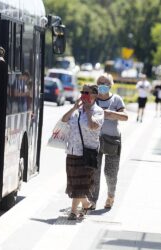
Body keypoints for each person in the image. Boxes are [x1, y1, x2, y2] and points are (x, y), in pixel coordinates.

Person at [61, 84, 104, 220]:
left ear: (95, 95)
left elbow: (93, 125)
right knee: (74, 184)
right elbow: (64, 120)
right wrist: (75, 107)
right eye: (83, 92)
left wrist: (88, 110)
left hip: (87, 153)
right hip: (72, 151)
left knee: (81, 184)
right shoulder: (77, 110)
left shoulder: (98, 111)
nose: (84, 95)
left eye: (87, 92)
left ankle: (73, 212)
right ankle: (86, 204)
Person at [89, 74, 128, 210]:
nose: (102, 85)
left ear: (110, 85)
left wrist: (110, 114)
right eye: (100, 82)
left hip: (112, 140)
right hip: (94, 140)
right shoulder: (92, 99)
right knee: (94, 171)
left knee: (110, 172)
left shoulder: (116, 99)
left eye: (105, 83)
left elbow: (125, 116)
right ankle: (92, 201)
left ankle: (111, 196)